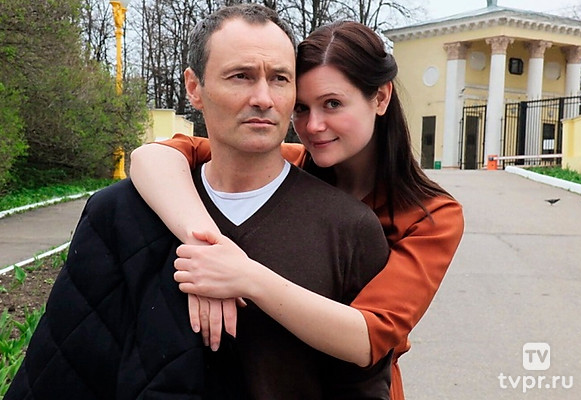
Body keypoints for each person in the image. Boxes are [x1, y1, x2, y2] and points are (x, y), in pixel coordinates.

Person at [6, 5, 392, 400]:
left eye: (280, 78)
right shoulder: (120, 214)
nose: (263, 98)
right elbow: (67, 370)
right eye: (241, 76)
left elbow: (364, 386)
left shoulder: (349, 229)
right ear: (194, 88)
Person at [129, 20, 465, 400]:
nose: (313, 126)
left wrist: (245, 276)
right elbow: (153, 157)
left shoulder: (431, 216)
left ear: (381, 98)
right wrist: (205, 245)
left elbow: (367, 337)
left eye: (332, 104)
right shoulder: (288, 164)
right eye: (302, 108)